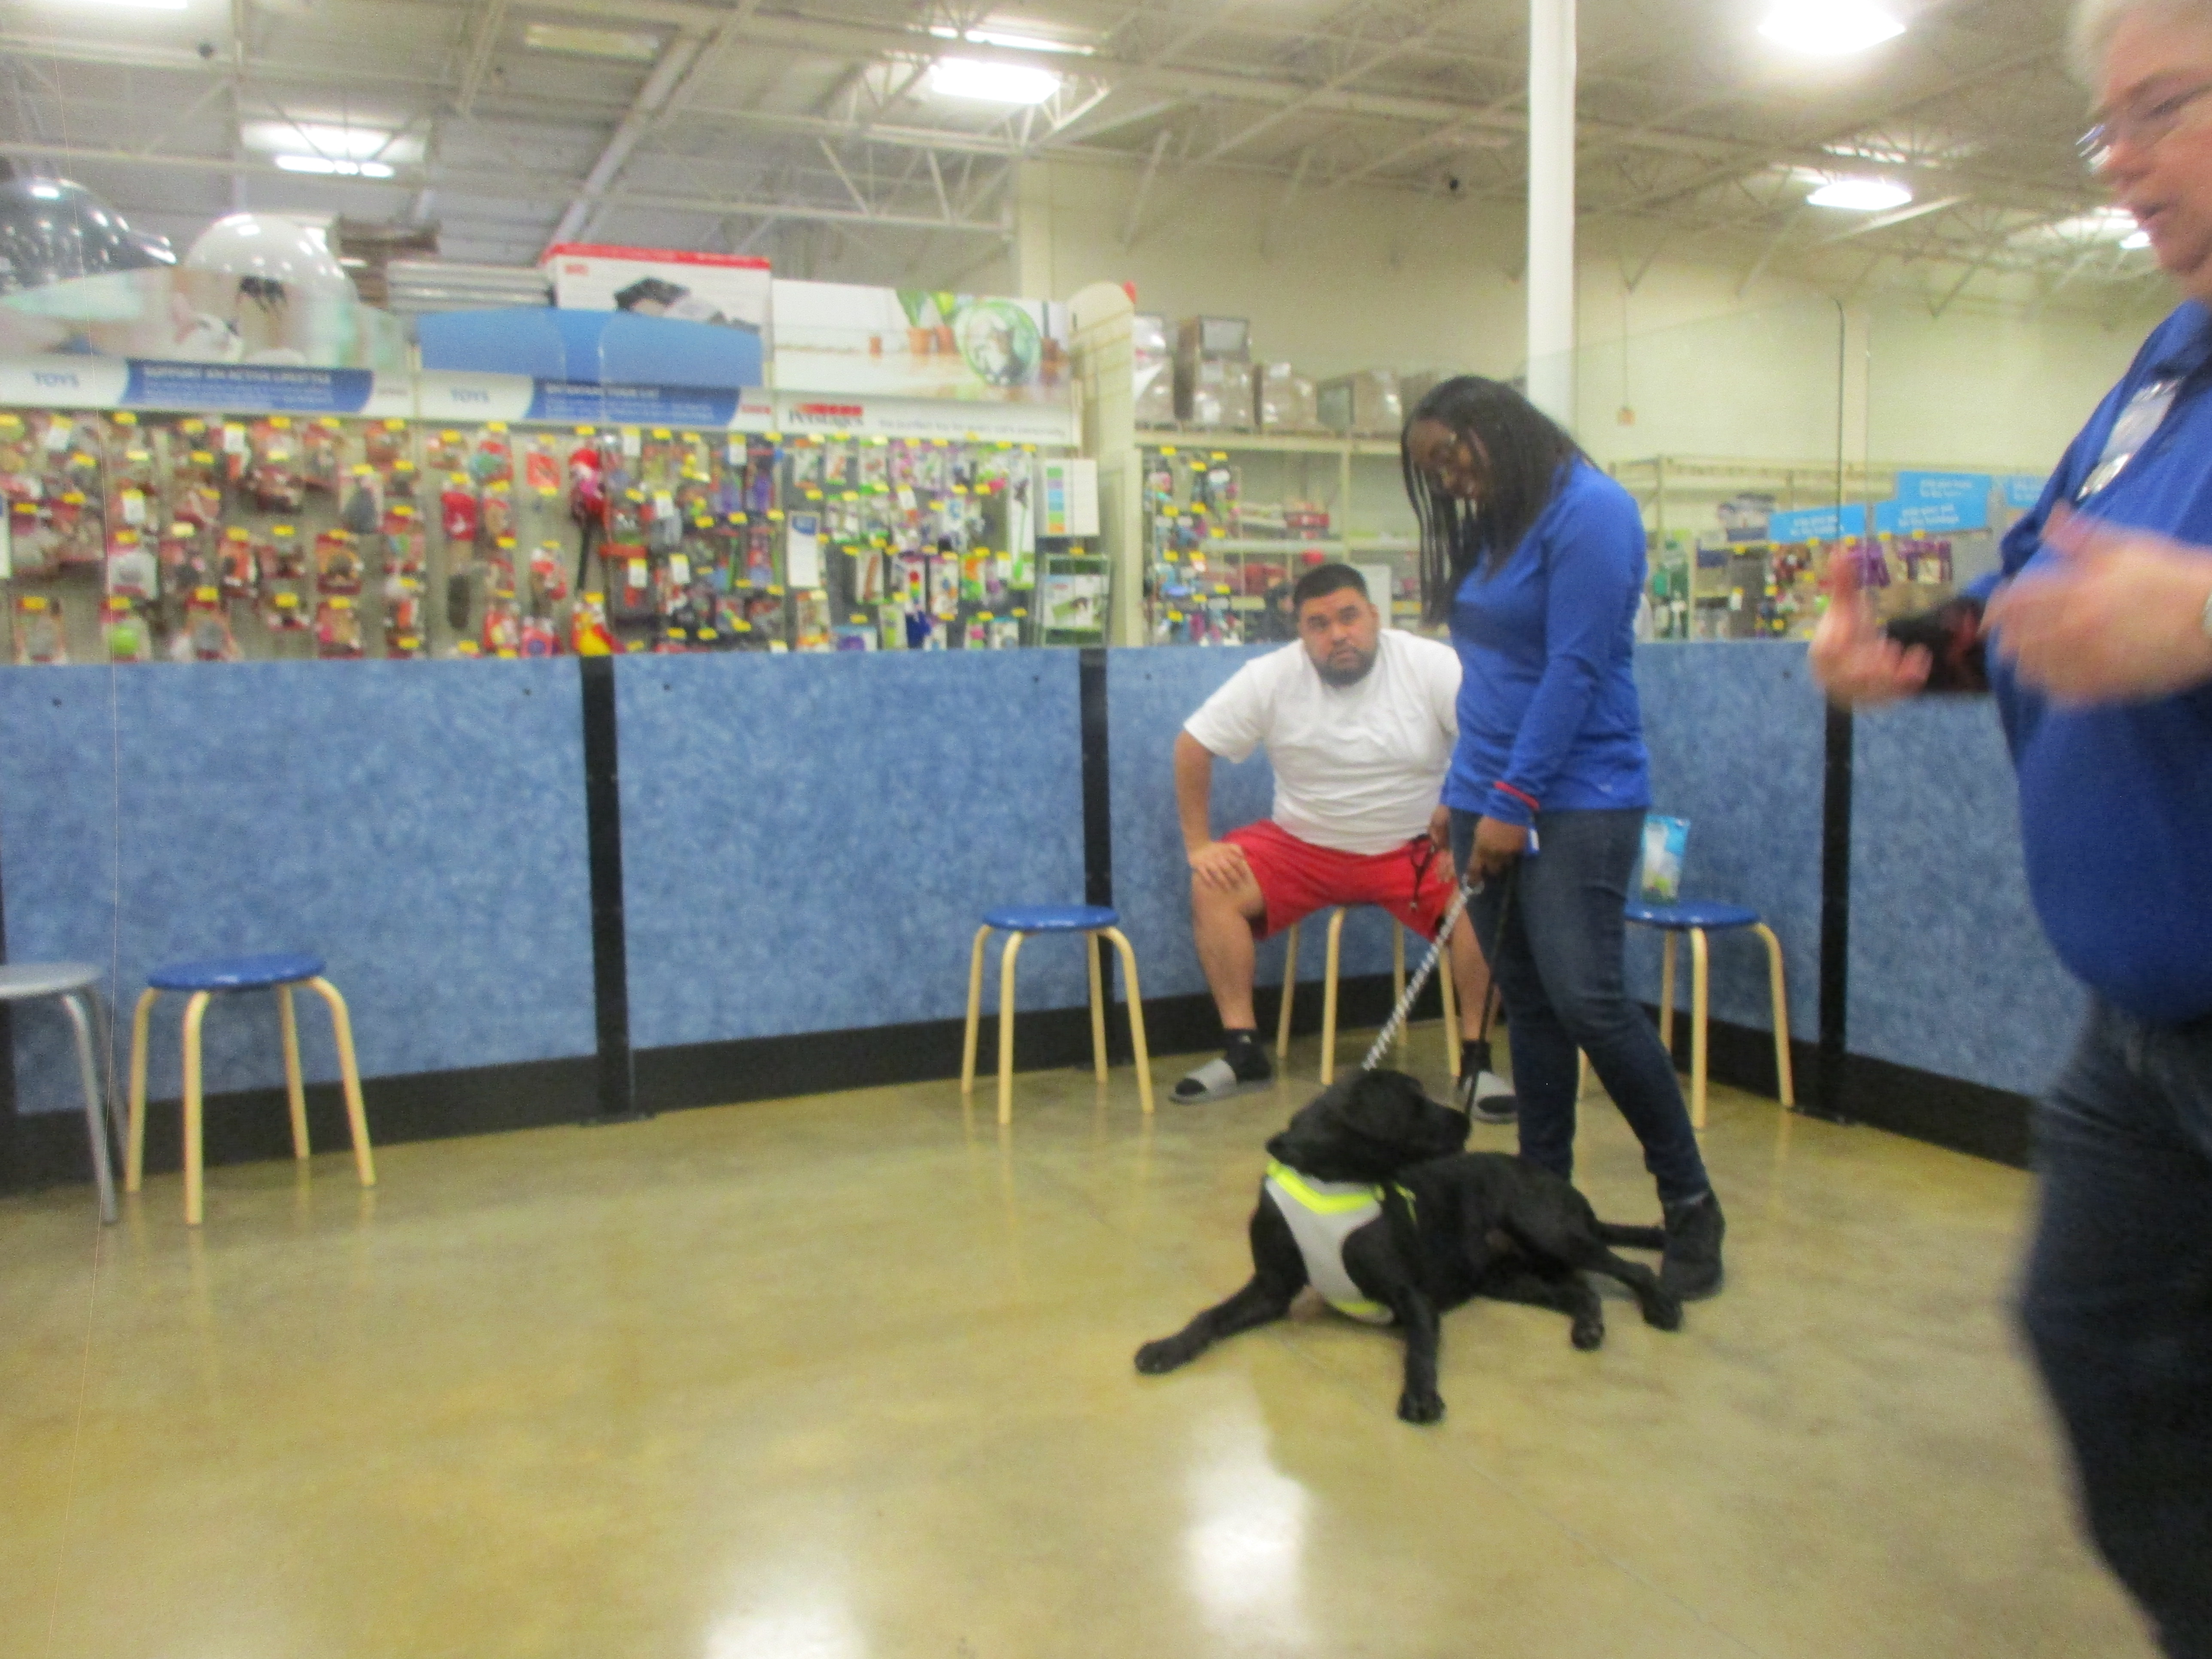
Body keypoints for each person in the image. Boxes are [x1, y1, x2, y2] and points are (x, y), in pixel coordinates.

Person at [1812, 6, 2212, 1650]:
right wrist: (1913, 653)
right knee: (2089, 1332)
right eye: (2104, 127)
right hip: (2140, 1032)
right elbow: (2045, 592)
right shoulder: (2164, 368)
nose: (2121, 163)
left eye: (2162, 108)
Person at [1402, 377, 1724, 1301]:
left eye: (1450, 456)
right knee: (1534, 1008)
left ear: (1496, 427)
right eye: (1432, 471)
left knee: (1589, 1001)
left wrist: (1512, 799)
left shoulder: (1593, 511)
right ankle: (1541, 1201)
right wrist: (1462, 792)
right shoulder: (1498, 522)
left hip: (1579, 793)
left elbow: (1574, 669)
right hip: (1488, 791)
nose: (1448, 480)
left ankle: (1691, 1203)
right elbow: (1489, 676)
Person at [1174, 563, 1513, 1116]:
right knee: (1213, 886)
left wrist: (1460, 808)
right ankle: (1242, 1051)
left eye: (1349, 617)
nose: (1338, 635)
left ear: (1374, 617)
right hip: (1302, 846)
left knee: (1480, 892)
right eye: (1319, 624)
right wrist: (1198, 844)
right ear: (1302, 633)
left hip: (1415, 846)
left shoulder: (1429, 664)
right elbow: (1193, 743)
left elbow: (1489, 737)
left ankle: (1477, 1063)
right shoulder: (1271, 676)